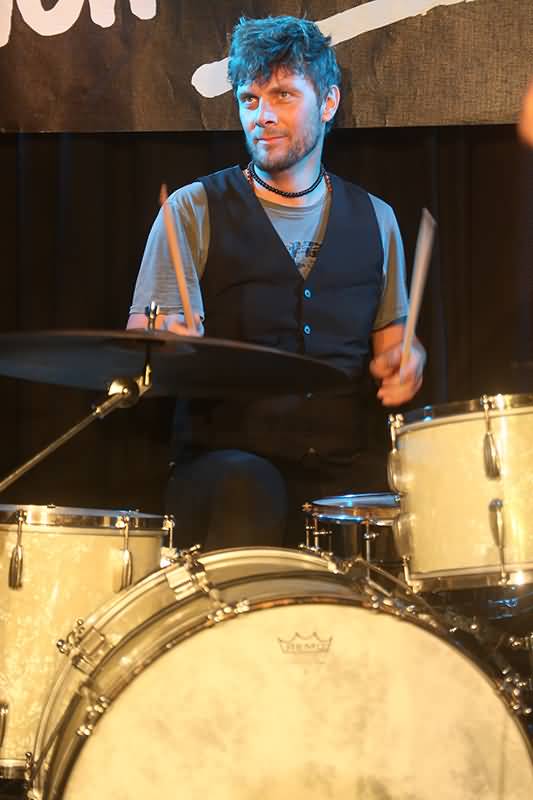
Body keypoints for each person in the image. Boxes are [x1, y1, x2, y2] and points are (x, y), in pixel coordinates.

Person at [127, 15, 425, 552]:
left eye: (283, 95)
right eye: (249, 99)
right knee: (251, 487)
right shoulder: (192, 209)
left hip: (338, 467)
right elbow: (142, 342)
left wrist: (407, 361)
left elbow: (395, 345)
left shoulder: (376, 218)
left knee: (410, 498)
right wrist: (165, 342)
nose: (262, 116)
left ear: (328, 102)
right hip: (224, 465)